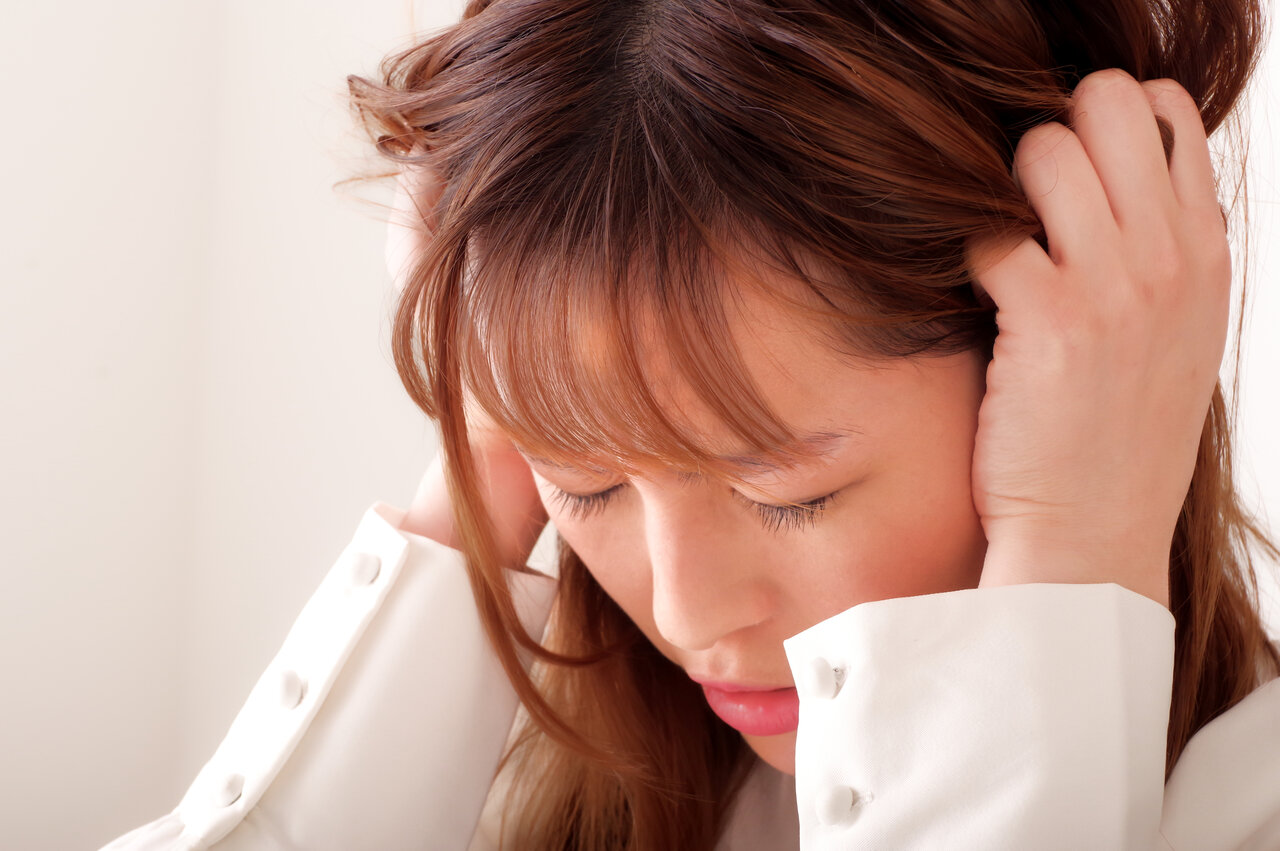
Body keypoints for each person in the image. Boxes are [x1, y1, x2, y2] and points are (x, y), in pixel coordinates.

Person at [103, 0, 1280, 848]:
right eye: (583, 482)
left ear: (1086, 357)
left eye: (787, 493)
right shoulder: (482, 784)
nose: (683, 611)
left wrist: (1074, 550)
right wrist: (488, 446)